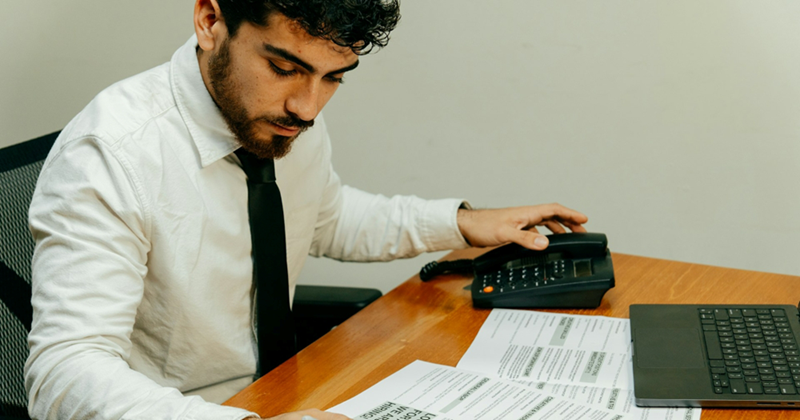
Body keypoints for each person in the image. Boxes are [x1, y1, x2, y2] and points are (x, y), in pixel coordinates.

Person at [24, 1, 589, 419]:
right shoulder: (110, 155)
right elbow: (64, 374)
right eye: (284, 67)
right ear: (209, 21)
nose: (308, 106)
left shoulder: (283, 118)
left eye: (333, 77)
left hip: (287, 395)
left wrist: (461, 221)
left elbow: (325, 216)